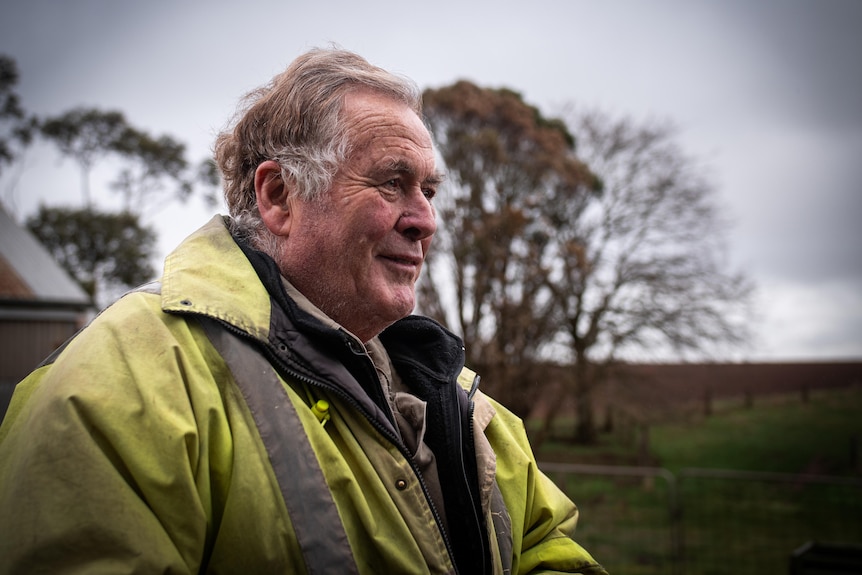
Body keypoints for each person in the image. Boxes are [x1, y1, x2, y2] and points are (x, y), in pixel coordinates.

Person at [0, 48, 608, 574]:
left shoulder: (461, 404)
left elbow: (545, 545)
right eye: (392, 183)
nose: (426, 220)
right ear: (279, 196)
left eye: (429, 190)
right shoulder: (128, 381)